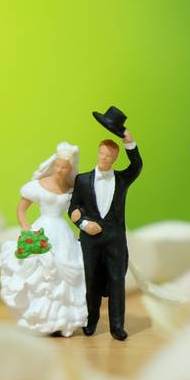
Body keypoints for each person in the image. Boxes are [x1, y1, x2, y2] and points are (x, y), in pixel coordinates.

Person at [0, 142, 88, 336]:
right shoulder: (39, 185)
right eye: (58, 165)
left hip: (61, 232)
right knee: (40, 272)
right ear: (53, 164)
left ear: (70, 168)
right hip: (42, 229)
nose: (60, 170)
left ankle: (62, 320)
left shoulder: (72, 188)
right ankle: (37, 317)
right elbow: (21, 210)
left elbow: (77, 211)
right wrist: (27, 229)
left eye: (65, 167)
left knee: (64, 271)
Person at [70, 122, 142, 340]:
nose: (104, 158)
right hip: (90, 241)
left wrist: (130, 143)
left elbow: (137, 165)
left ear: (115, 158)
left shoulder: (122, 179)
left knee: (117, 282)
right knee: (91, 280)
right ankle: (90, 321)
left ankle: (117, 326)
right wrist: (83, 224)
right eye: (102, 154)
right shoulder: (82, 180)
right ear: (98, 153)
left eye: (109, 156)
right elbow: (73, 208)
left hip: (115, 240)